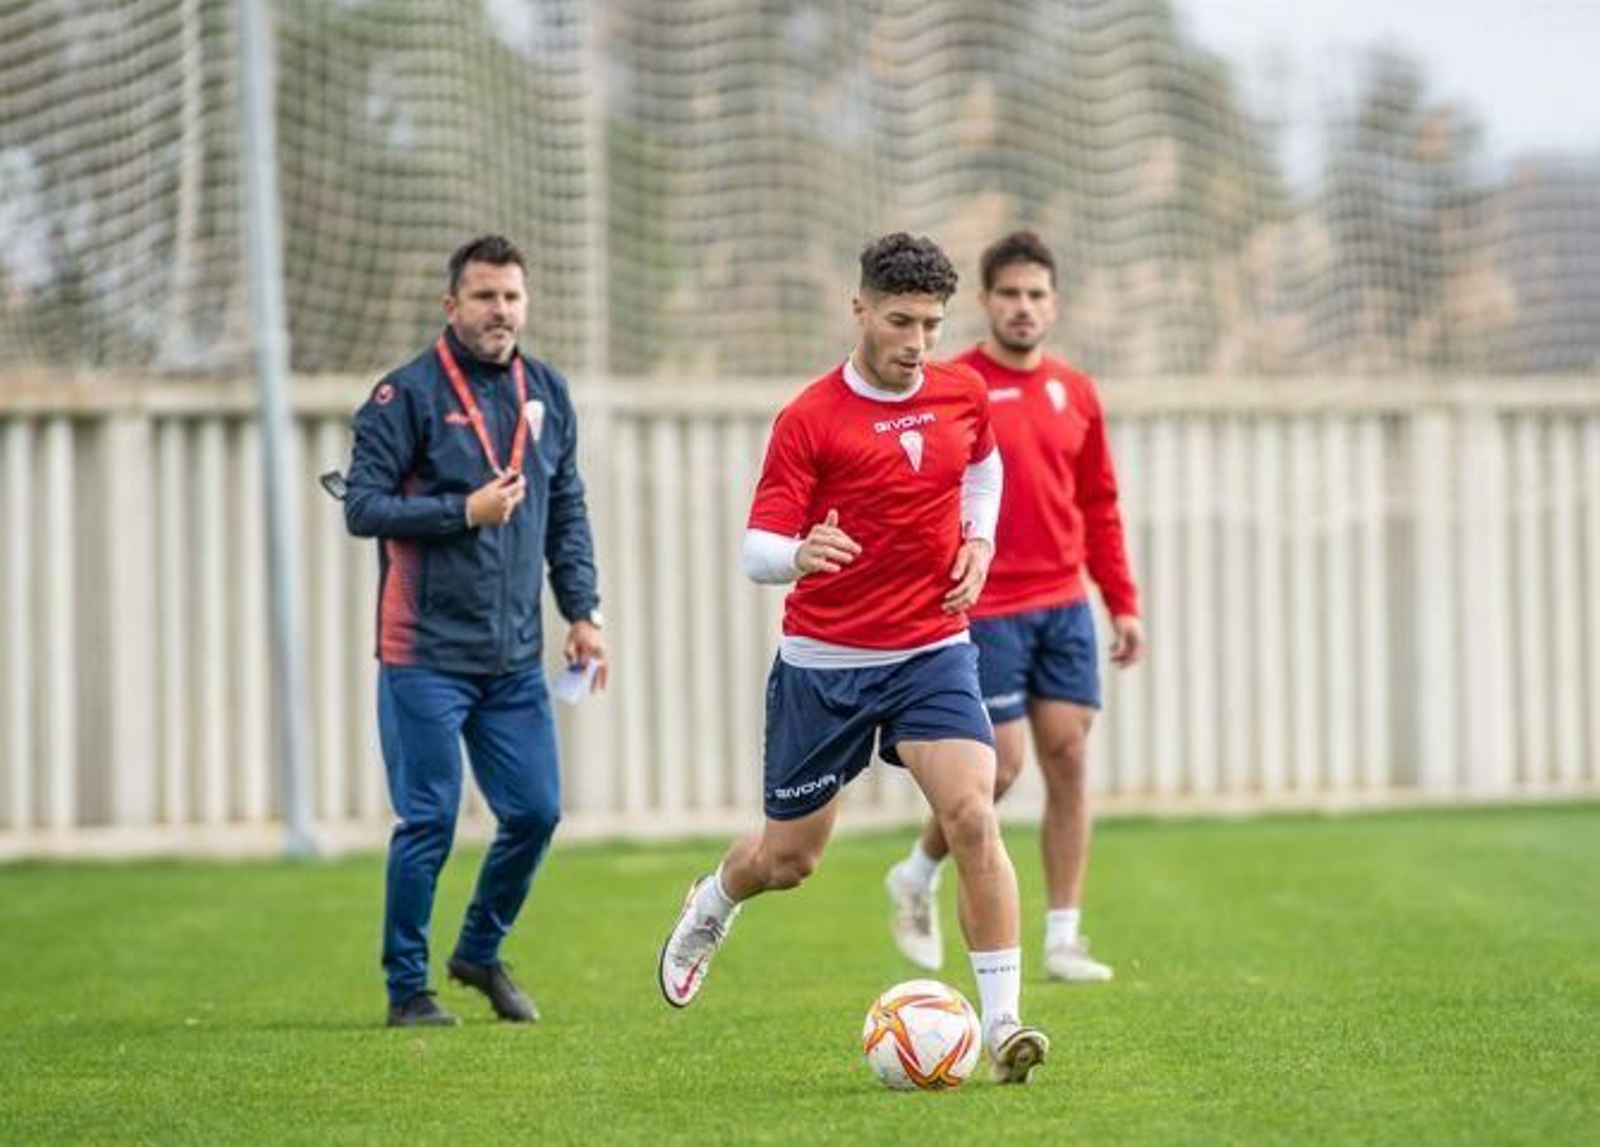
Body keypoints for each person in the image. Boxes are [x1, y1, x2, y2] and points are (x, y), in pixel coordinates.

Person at [656, 232, 1049, 1084]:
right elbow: (756, 546)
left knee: (974, 813)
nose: (917, 343)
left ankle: (1006, 1023)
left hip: (932, 649)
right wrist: (798, 554)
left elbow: (985, 468)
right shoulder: (809, 418)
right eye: (901, 321)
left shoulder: (961, 392)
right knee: (788, 862)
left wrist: (978, 539)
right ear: (860, 308)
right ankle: (716, 898)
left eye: (934, 325)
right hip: (825, 664)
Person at [344, 234, 608, 1027]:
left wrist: (584, 611)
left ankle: (478, 950)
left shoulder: (548, 391)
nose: (501, 311)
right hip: (422, 653)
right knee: (428, 819)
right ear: (451, 305)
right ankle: (406, 988)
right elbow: (362, 506)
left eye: (512, 297)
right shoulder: (406, 395)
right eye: (485, 296)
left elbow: (565, 510)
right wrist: (463, 510)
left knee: (535, 812)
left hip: (513, 658)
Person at [885, 230, 1143, 983]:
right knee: (998, 767)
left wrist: (1120, 600)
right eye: (1009, 294)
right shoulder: (952, 386)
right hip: (984, 604)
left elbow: (1100, 502)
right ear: (986, 302)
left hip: (1062, 603)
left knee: (1068, 755)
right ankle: (916, 873)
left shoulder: (1076, 391)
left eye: (1036, 295)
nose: (1023, 307)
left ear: (1053, 304)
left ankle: (1065, 935)